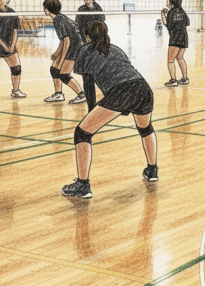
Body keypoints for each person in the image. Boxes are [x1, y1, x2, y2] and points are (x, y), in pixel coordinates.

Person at [61, 20, 158, 199]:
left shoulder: (84, 51)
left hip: (122, 91)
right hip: (143, 88)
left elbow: (88, 85)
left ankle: (82, 185)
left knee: (82, 133)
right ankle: (152, 170)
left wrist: (91, 111)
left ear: (87, 36)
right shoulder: (116, 49)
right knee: (145, 129)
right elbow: (128, 71)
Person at [43, 0, 86, 105]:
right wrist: (57, 53)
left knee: (63, 74)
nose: (44, 9)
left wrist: (61, 60)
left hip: (76, 48)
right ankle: (58, 94)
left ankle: (82, 95)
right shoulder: (59, 18)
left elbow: (67, 41)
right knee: (54, 69)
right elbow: (63, 40)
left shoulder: (59, 20)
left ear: (48, 9)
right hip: (73, 45)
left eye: (45, 7)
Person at [161, 0, 190, 87]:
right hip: (184, 38)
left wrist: (163, 15)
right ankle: (185, 78)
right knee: (180, 57)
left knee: (170, 61)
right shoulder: (182, 12)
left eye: (168, 2)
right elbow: (188, 23)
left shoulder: (171, 13)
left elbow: (168, 25)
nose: (167, 4)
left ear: (172, 4)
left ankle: (173, 80)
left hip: (175, 38)